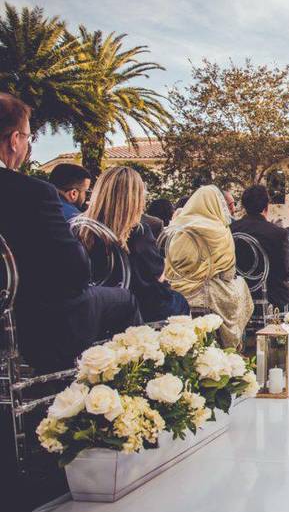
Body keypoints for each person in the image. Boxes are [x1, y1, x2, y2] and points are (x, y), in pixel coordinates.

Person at [0, 93, 141, 371]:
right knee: (124, 299)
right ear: (14, 140)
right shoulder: (33, 193)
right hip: (33, 325)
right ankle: (115, 396)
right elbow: (73, 272)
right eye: (28, 138)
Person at [81, 166, 190, 322]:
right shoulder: (137, 231)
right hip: (136, 308)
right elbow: (156, 276)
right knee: (179, 301)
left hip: (94, 307)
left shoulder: (82, 228)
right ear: (136, 198)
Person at [164, 185, 253, 348]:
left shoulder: (176, 227)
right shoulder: (220, 231)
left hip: (177, 289)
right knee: (241, 287)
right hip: (211, 293)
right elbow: (228, 273)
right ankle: (235, 346)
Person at [230, 184, 289, 308]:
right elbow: (284, 271)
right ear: (266, 206)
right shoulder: (278, 233)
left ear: (244, 206)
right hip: (271, 293)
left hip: (237, 290)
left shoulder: (231, 229)